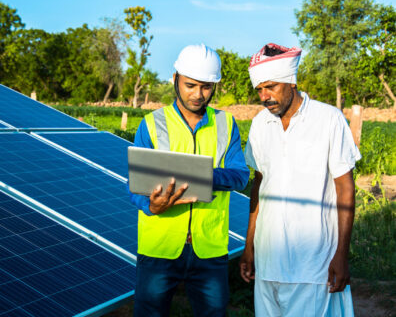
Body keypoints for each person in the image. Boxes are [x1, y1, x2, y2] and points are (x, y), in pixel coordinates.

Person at [239, 43, 361, 316]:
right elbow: (259, 186)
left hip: (313, 263)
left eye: (271, 87)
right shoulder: (260, 124)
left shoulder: (328, 119)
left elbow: (345, 189)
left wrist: (341, 255)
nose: (264, 96)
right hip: (268, 261)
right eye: (259, 89)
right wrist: (249, 247)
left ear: (291, 82)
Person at [128, 44, 250, 317]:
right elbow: (134, 184)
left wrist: (200, 175)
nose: (198, 94)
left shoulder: (226, 124)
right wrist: (151, 206)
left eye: (206, 87)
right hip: (160, 245)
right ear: (175, 79)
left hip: (209, 247)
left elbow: (240, 175)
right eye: (190, 85)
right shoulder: (151, 123)